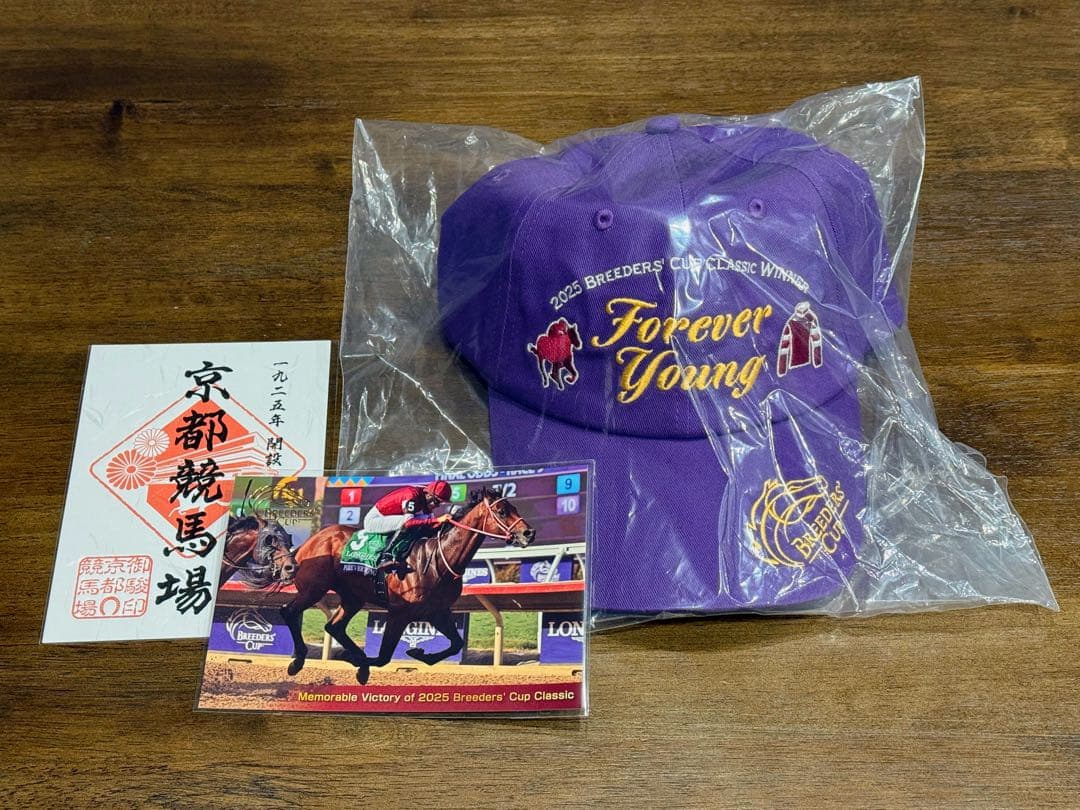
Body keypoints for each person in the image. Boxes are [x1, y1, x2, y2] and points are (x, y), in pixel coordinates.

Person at [361, 480, 454, 577]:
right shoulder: (412, 496)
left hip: (389, 517)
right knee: (406, 522)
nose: (437, 506)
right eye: (437, 502)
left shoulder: (423, 498)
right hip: (374, 520)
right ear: (429, 496)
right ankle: (386, 557)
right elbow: (408, 523)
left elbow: (430, 525)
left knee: (426, 521)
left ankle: (404, 558)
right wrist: (437, 520)